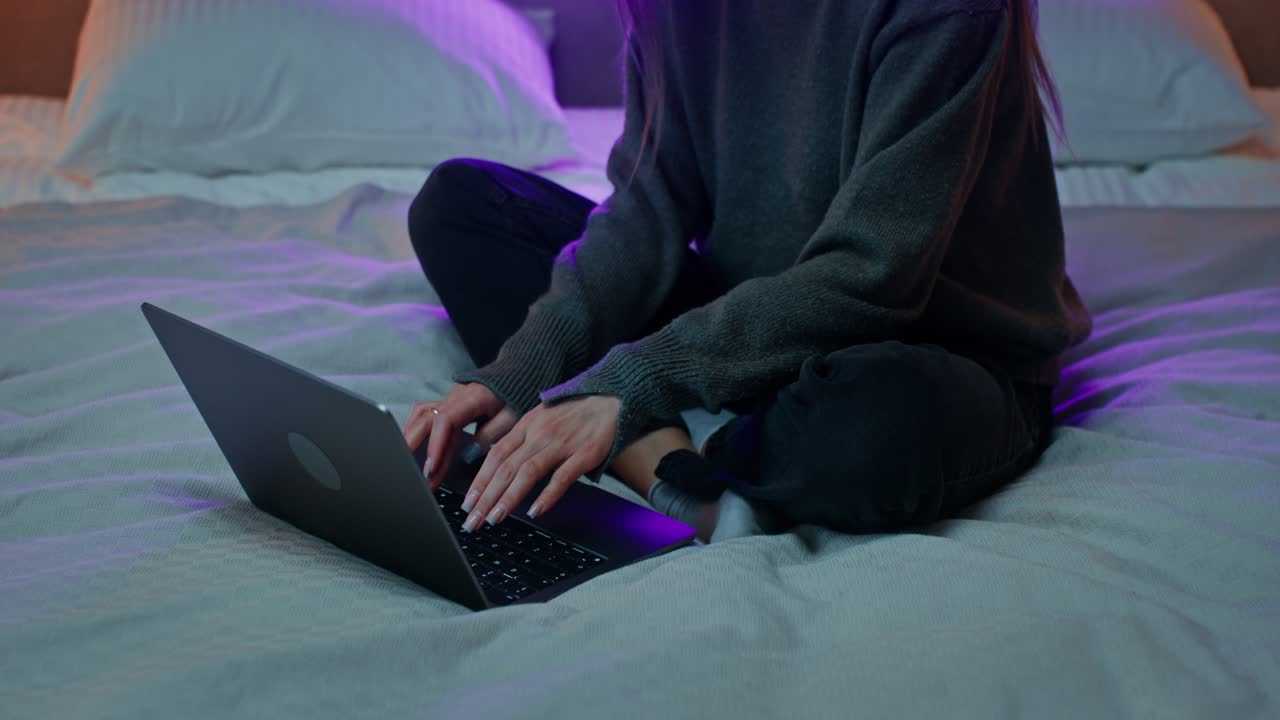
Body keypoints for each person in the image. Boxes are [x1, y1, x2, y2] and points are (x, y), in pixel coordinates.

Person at [403, 0, 1093, 543]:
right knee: (462, 206)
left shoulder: (951, 9)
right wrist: (522, 372)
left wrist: (629, 380)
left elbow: (871, 275)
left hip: (933, 341)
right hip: (750, 310)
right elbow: (650, 207)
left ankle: (665, 445)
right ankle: (666, 459)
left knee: (865, 436)